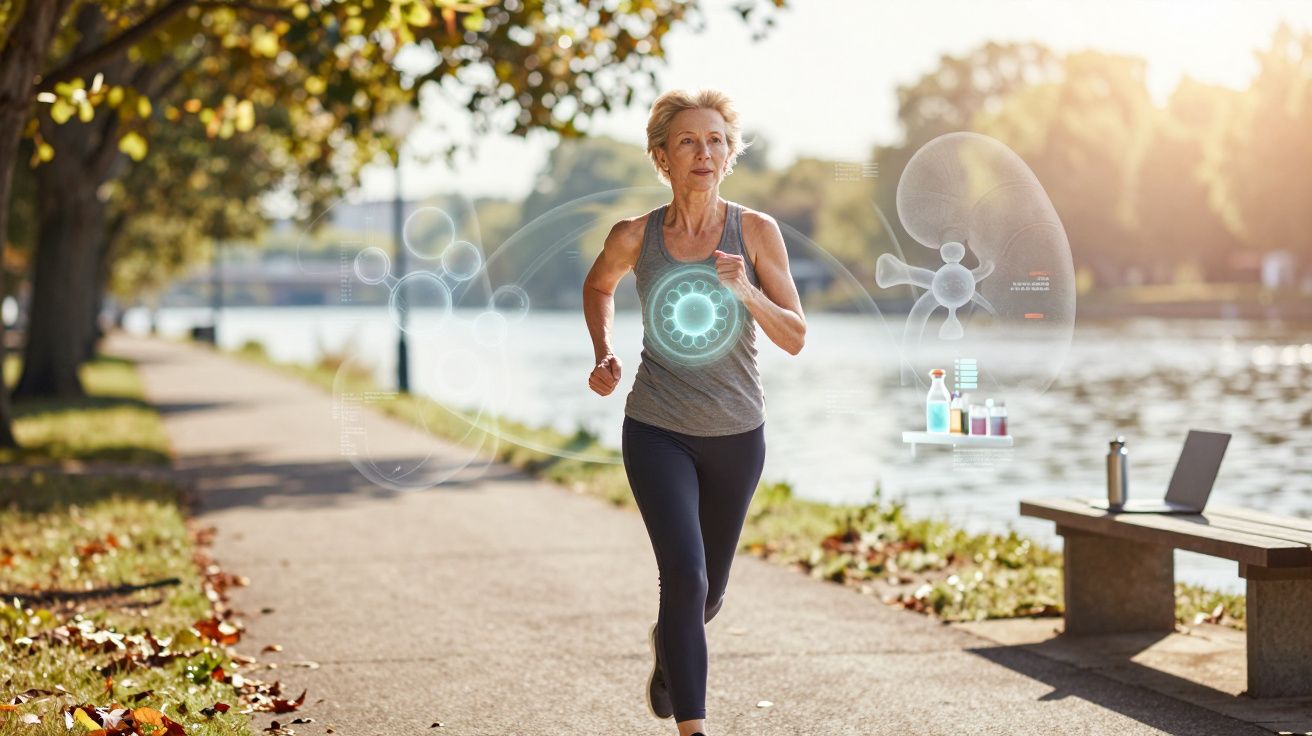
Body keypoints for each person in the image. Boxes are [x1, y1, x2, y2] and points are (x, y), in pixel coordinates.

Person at [581, 88, 806, 736]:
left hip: (737, 434)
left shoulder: (755, 232)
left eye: (715, 141)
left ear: (729, 155)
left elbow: (795, 336)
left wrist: (745, 292)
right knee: (683, 572)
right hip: (655, 428)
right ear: (662, 158)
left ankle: (669, 647)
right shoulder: (635, 235)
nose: (704, 152)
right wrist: (604, 350)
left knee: (705, 595)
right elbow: (599, 285)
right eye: (688, 142)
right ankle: (694, 728)